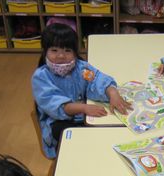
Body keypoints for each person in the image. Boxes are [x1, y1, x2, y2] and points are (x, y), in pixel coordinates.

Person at [32, 23, 131, 158]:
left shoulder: (81, 69)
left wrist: (112, 92)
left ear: (75, 52)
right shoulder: (41, 77)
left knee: (106, 131)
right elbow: (55, 105)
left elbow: (97, 80)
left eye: (67, 50)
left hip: (83, 116)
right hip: (58, 121)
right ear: (45, 51)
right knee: (65, 133)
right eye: (54, 50)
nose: (61, 56)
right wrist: (83, 108)